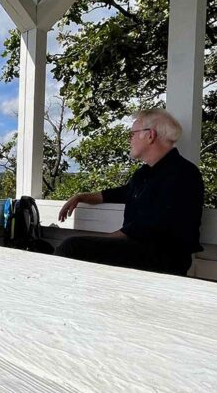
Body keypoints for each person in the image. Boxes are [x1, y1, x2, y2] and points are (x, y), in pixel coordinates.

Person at [56, 108, 203, 275]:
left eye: (132, 134)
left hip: (164, 259)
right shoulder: (144, 174)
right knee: (73, 248)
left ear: (150, 135)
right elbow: (120, 193)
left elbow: (148, 227)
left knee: (72, 247)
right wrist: (81, 196)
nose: (129, 140)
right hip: (138, 252)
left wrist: (102, 239)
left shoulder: (183, 173)